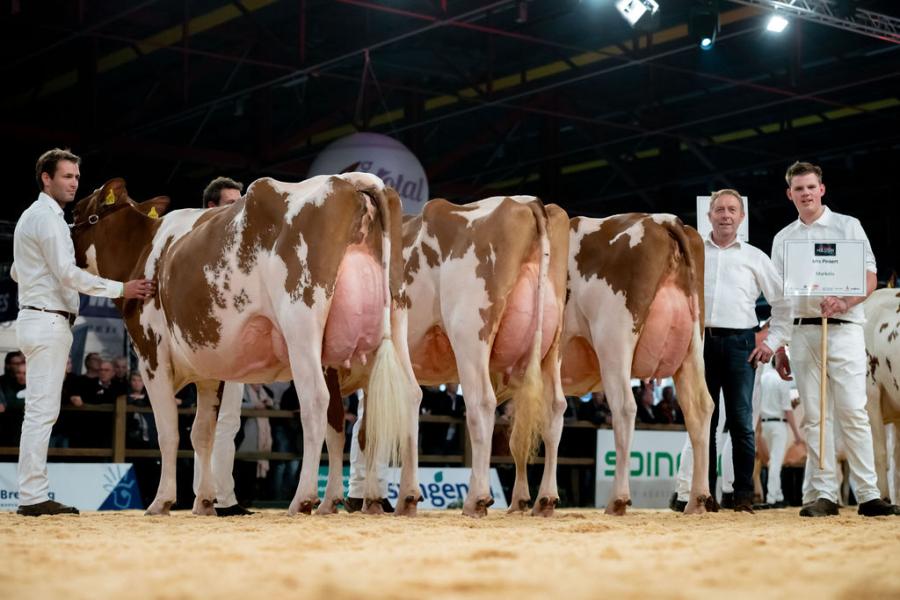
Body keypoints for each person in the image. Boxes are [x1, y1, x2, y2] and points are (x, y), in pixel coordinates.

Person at [12, 148, 155, 517]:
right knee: (42, 413)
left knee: (42, 411)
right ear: (46, 178)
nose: (74, 183)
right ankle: (32, 497)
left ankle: (32, 493)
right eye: (66, 176)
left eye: (76, 176)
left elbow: (16, 271)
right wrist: (122, 288)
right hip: (47, 320)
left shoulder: (42, 218)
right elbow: (67, 274)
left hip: (39, 318)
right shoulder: (46, 218)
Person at [772, 161, 900, 517]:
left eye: (811, 186)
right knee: (814, 416)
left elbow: (870, 276)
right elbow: (779, 298)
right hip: (802, 332)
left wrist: (845, 300)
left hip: (844, 328)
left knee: (854, 412)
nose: (806, 193)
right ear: (790, 194)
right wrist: (779, 343)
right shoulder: (783, 238)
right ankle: (824, 494)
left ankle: (868, 495)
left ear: (822, 189)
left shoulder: (848, 226)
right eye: (799, 189)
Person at [690, 188, 792, 513]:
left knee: (741, 423)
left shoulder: (755, 257)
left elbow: (784, 304)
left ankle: (744, 496)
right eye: (719, 209)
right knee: (705, 421)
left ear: (741, 216)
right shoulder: (694, 254)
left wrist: (772, 342)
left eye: (732, 209)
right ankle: (705, 495)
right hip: (700, 343)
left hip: (742, 345)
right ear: (709, 215)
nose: (725, 215)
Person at [191, 176, 253, 516]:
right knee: (213, 421)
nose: (239, 209)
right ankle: (212, 496)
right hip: (211, 343)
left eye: (241, 202)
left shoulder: (234, 247)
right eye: (232, 204)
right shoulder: (200, 245)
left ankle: (217, 495)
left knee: (227, 421)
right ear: (211, 207)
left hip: (234, 344)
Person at [757, 358, 802, 508]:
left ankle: (778, 494)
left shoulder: (763, 379)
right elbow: (787, 409)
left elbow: (757, 404)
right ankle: (771, 498)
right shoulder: (782, 381)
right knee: (776, 462)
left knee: (772, 461)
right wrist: (796, 434)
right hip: (778, 425)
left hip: (765, 424)